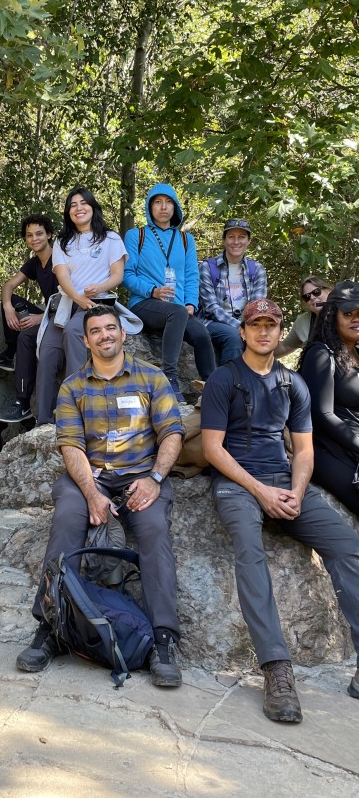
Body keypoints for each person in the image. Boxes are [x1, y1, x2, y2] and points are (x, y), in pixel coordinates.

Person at [201, 298, 359, 722]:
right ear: (243, 332)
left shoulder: (293, 383)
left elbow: (304, 451)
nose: (264, 332)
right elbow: (213, 449)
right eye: (257, 325)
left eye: (272, 325)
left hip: (286, 482)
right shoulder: (224, 379)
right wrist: (260, 491)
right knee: (250, 551)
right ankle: (276, 669)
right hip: (237, 484)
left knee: (348, 545)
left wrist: (295, 489)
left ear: (279, 330)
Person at [17, 304, 185, 686]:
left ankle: (162, 640)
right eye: (96, 331)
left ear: (123, 333)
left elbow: (172, 433)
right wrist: (93, 495)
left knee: (155, 532)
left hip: (141, 477)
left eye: (111, 328)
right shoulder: (73, 386)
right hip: (88, 479)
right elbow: (71, 446)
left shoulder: (151, 378)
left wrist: (155, 478)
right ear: (86, 339)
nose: (105, 335)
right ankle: (50, 626)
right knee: (65, 523)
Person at [34, 188, 128, 426]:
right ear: (68, 212)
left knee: (75, 331)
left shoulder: (110, 238)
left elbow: (118, 275)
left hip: (99, 303)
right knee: (47, 353)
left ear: (93, 207)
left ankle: (75, 407)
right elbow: (62, 276)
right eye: (72, 205)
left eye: (83, 203)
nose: (78, 208)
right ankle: (43, 419)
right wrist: (77, 297)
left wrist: (99, 287)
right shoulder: (62, 242)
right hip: (68, 303)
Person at [124, 183, 216, 402]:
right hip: (144, 303)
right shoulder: (137, 236)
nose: (163, 207)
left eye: (168, 202)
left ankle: (213, 387)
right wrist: (152, 291)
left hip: (178, 310)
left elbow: (192, 275)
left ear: (175, 207)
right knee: (176, 313)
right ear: (149, 206)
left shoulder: (186, 239)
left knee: (202, 335)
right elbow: (126, 275)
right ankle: (169, 379)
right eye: (157, 202)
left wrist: (191, 303)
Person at [0, 214, 59, 423]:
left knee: (26, 337)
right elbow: (8, 286)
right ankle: (10, 354)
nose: (34, 239)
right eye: (29, 235)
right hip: (47, 313)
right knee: (13, 300)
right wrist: (8, 307)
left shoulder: (60, 259)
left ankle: (22, 403)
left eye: (39, 234)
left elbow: (67, 297)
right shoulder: (35, 262)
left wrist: (40, 318)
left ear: (49, 235)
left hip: (61, 315)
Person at [299, 280, 359, 515]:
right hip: (329, 451)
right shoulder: (322, 354)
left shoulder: (355, 352)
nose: (355, 318)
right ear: (333, 316)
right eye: (348, 313)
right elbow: (322, 415)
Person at [198, 219, 267, 365]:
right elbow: (210, 308)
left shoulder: (257, 269)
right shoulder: (207, 267)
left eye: (242, 237)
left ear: (249, 241)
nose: (236, 242)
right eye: (231, 237)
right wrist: (241, 328)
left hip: (245, 325)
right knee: (234, 336)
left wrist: (249, 327)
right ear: (224, 240)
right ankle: (231, 384)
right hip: (211, 323)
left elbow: (256, 307)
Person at [274, 275, 333, 358]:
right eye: (307, 297)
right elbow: (285, 347)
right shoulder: (303, 321)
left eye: (316, 292)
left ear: (328, 291)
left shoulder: (346, 313)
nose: (312, 298)